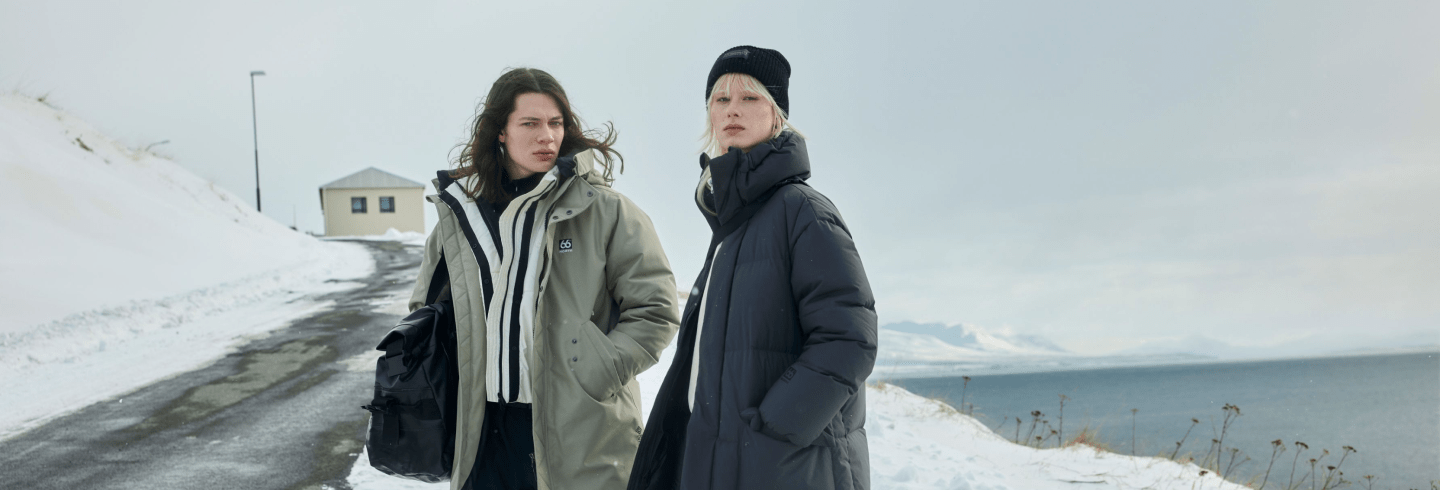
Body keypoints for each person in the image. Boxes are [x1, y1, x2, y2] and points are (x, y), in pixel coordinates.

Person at [409, 67, 679, 490]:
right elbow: (426, 310)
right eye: (530, 124)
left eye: (555, 123)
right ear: (501, 131)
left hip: (577, 424)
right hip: (480, 432)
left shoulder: (606, 211)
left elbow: (656, 310)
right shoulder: (461, 215)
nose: (547, 137)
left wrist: (593, 372)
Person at [628, 46, 877, 490]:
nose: (732, 110)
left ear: (777, 114)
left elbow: (849, 338)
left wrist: (775, 427)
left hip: (786, 465)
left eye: (750, 97)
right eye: (720, 100)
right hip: (727, 461)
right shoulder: (733, 221)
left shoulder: (803, 211)